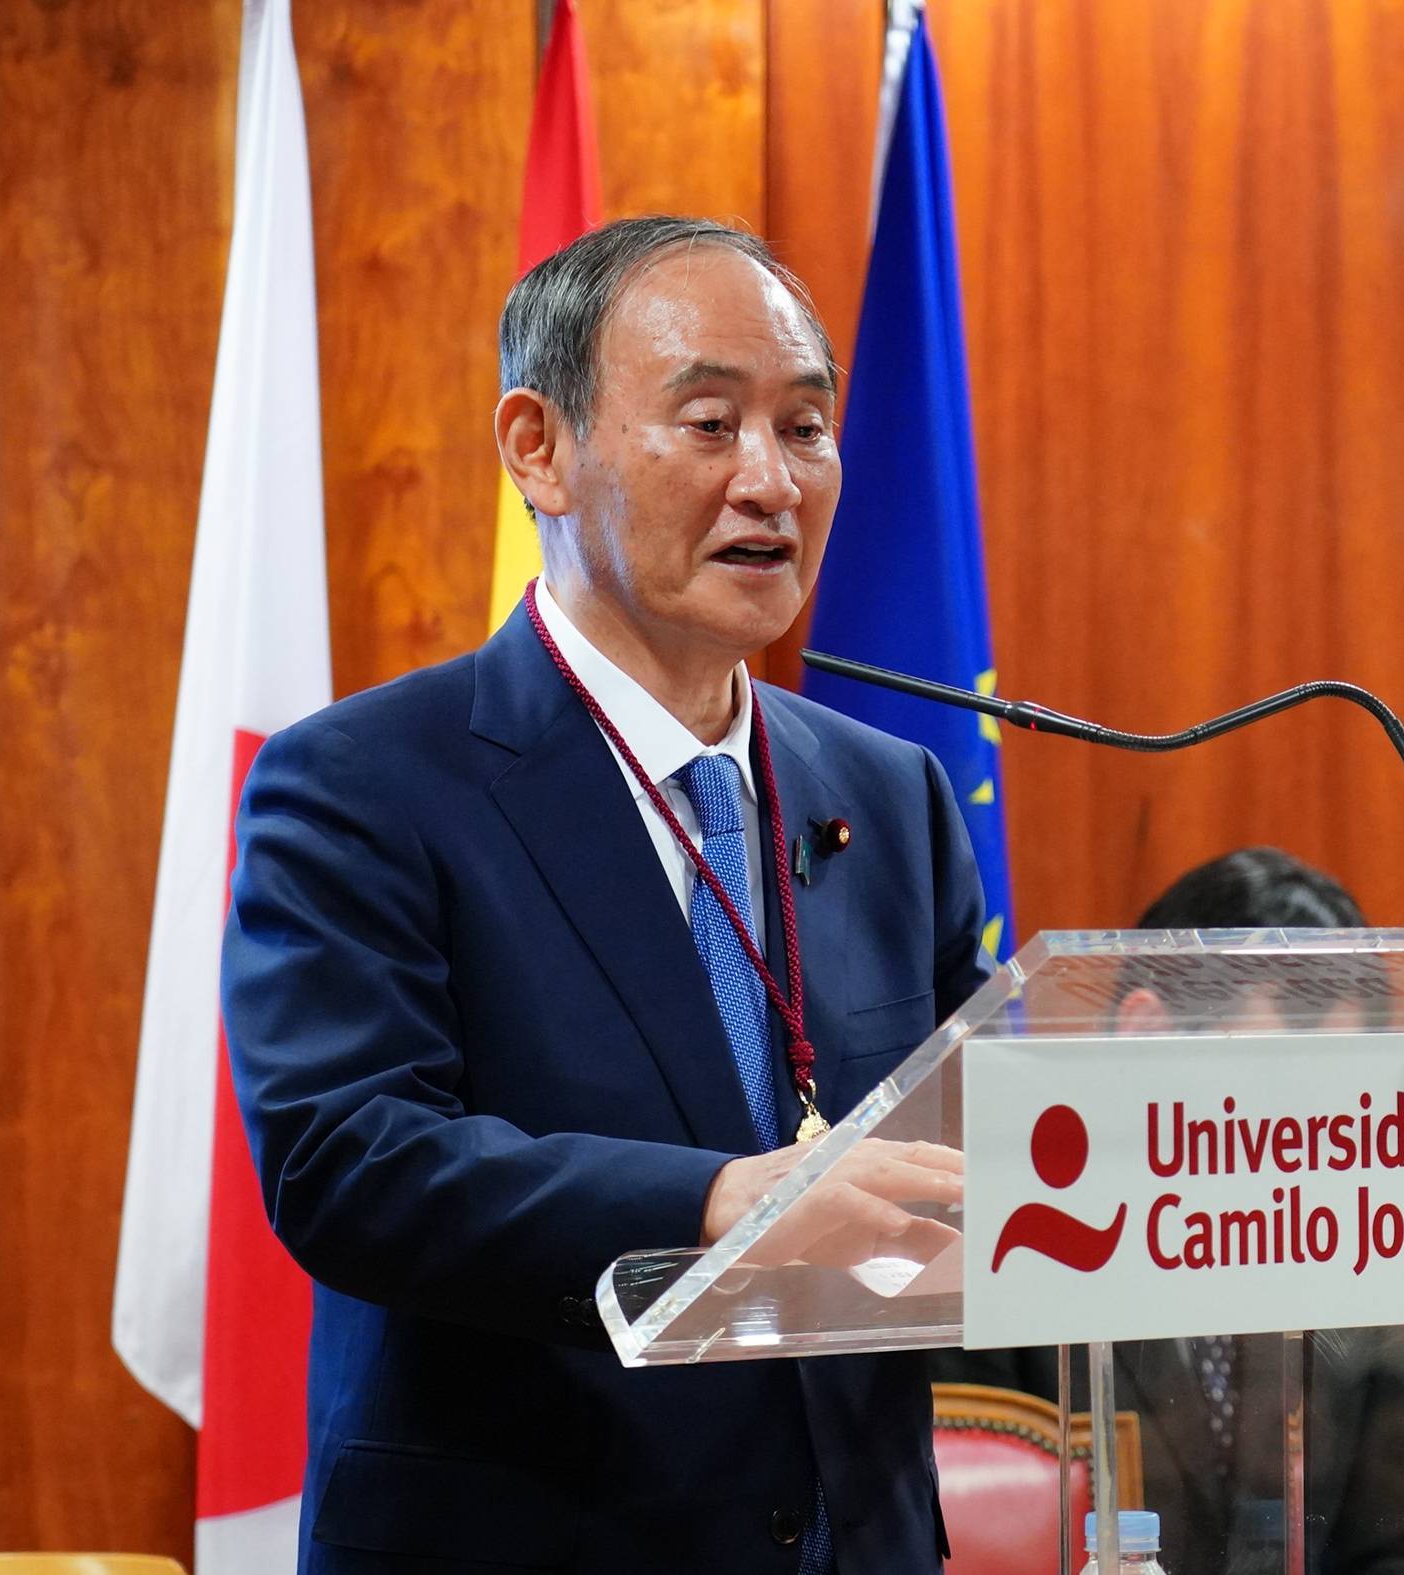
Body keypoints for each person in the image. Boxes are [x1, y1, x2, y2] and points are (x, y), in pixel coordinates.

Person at [221, 216, 990, 1572]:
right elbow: (350, 1159)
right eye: (708, 423)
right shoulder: (363, 783)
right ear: (539, 446)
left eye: (803, 428)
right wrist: (721, 1204)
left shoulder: (891, 791)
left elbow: (962, 1164)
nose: (770, 480)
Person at [935, 848, 1404, 1575]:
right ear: (1146, 1034)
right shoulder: (1005, 1251)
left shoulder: (1339, 1247)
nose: (1307, 1145)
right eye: (1286, 1093)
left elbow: (1385, 1553)